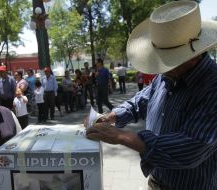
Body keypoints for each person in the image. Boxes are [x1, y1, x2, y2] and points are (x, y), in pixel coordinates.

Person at [85, 1, 217, 190]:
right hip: (156, 182)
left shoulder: (212, 86)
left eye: (169, 61)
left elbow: (192, 148)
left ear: (194, 56)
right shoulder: (168, 75)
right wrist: (111, 116)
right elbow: (140, 101)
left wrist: (123, 137)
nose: (161, 67)